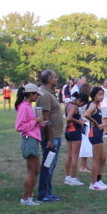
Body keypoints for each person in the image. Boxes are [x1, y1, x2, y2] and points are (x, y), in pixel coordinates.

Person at [36, 69, 64, 202]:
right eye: (55, 77)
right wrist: (50, 140)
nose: (56, 79)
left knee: (51, 165)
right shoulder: (45, 95)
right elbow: (45, 119)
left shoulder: (50, 93)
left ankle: (48, 192)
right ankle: (43, 194)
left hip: (55, 135)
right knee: (47, 166)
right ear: (48, 80)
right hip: (51, 138)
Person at [14, 83, 42, 205]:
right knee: (32, 171)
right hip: (28, 139)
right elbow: (19, 126)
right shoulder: (24, 107)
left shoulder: (29, 106)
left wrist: (39, 123)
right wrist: (35, 121)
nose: (37, 97)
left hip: (33, 139)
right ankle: (25, 199)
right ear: (30, 94)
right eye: (36, 94)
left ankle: (29, 196)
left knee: (36, 170)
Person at [84, 86, 107, 190]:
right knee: (97, 159)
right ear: (94, 96)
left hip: (98, 133)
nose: (102, 96)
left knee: (103, 158)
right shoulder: (93, 105)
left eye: (102, 94)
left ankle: (98, 180)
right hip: (94, 134)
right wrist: (95, 122)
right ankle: (93, 183)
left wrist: (102, 124)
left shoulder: (97, 106)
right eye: (99, 94)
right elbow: (86, 114)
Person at [62, 91, 86, 187]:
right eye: (82, 104)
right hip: (75, 132)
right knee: (75, 157)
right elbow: (69, 118)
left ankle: (67, 177)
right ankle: (73, 178)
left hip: (68, 131)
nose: (81, 106)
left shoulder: (68, 104)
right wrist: (80, 122)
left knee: (69, 156)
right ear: (79, 101)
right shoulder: (74, 106)